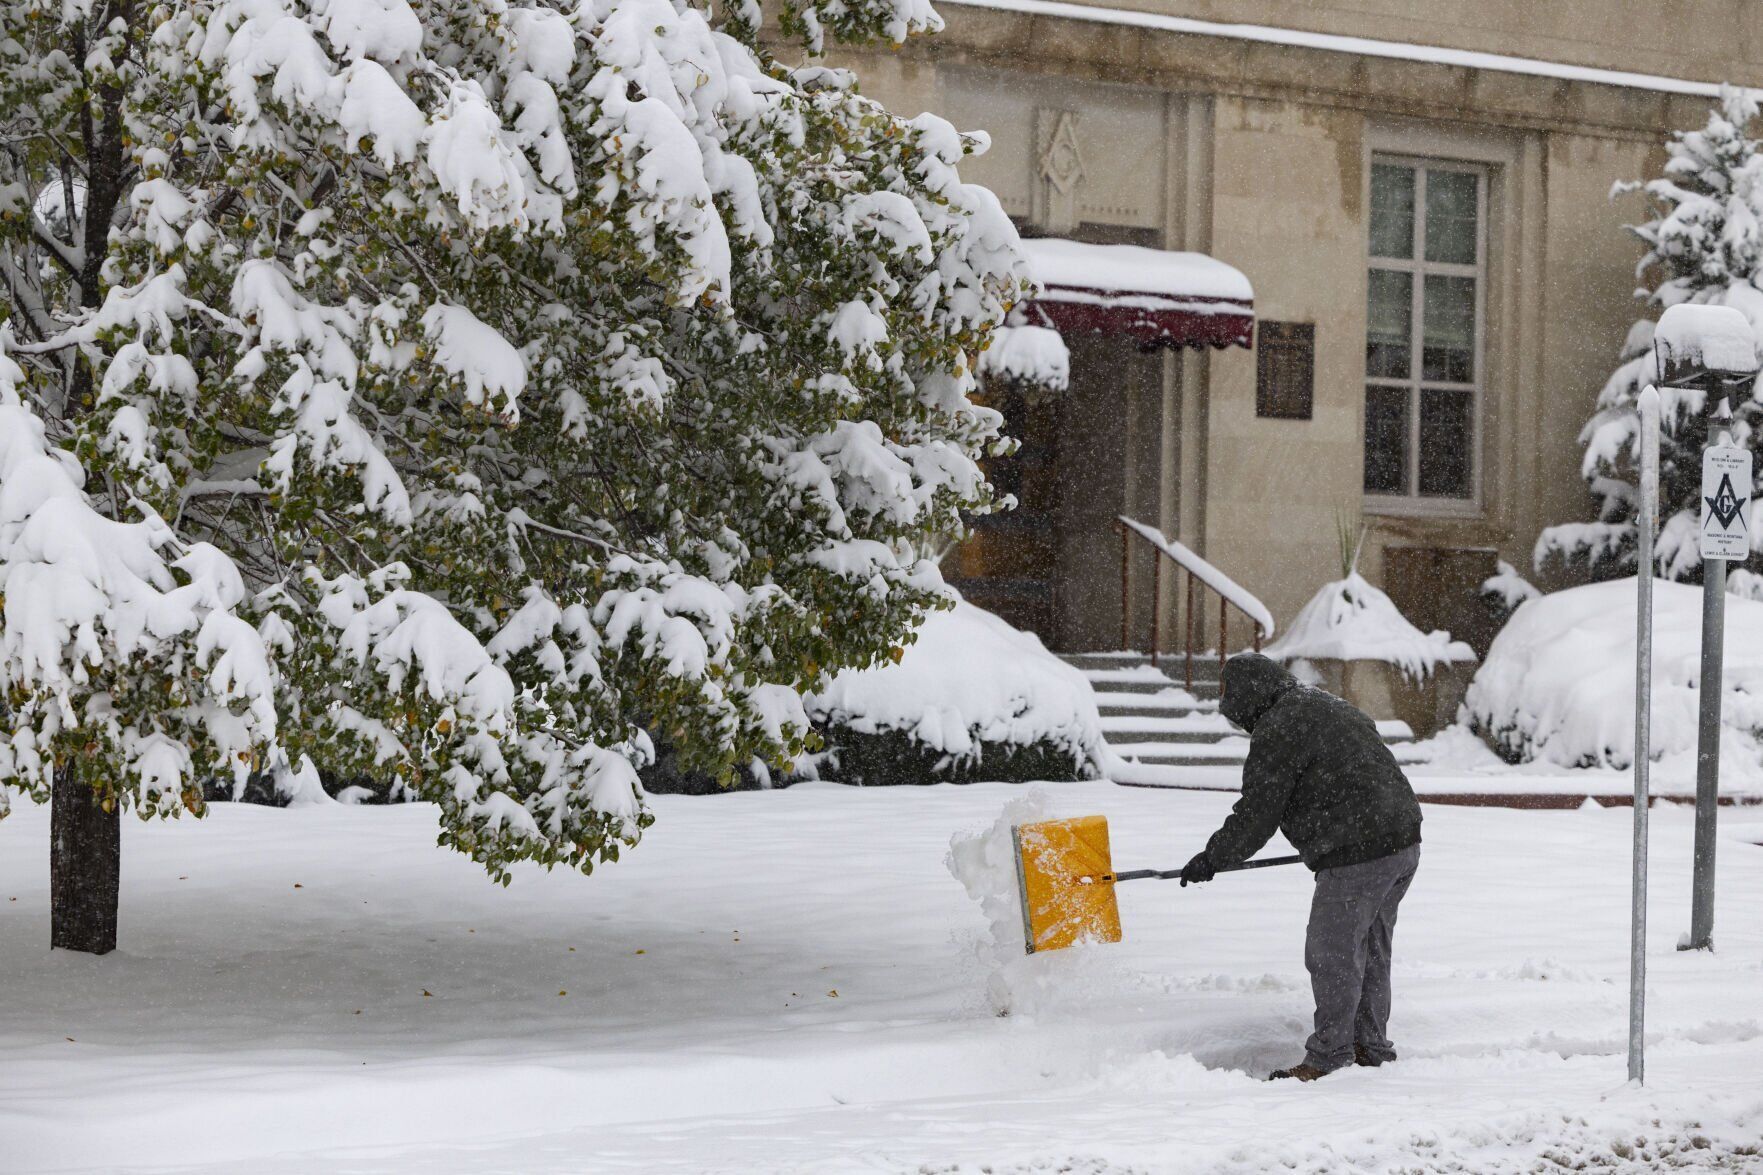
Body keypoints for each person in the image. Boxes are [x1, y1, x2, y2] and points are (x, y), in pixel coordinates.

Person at [1179, 653, 1422, 1082]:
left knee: (1333, 954)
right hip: (1401, 842)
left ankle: (1329, 1057)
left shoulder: (1281, 725)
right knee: (1370, 950)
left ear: (1248, 698)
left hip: (1359, 852)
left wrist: (1212, 858)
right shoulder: (1325, 704)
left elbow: (1258, 813)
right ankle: (1371, 1046)